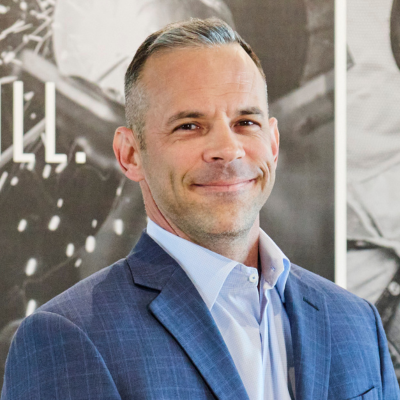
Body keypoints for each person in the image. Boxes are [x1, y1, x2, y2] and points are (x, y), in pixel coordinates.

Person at [1, 18, 399, 400]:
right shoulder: (65, 338)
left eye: (246, 122)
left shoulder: (356, 321)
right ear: (130, 154)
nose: (228, 149)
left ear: (273, 143)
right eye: (188, 126)